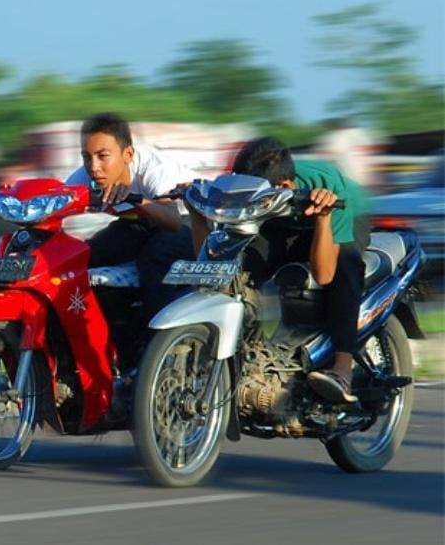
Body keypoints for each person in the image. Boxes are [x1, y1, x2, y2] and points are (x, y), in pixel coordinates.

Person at [189, 137, 369, 403]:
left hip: (341, 214)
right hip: (280, 219)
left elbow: (324, 275)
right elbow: (210, 266)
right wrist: (195, 212)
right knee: (237, 270)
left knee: (346, 268)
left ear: (284, 187)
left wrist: (323, 218)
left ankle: (343, 369)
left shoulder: (327, 188)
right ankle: (247, 353)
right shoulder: (248, 190)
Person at [65, 113, 195, 365]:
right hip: (135, 226)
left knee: (155, 256)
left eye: (103, 156)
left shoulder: (153, 169)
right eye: (86, 157)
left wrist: (137, 200)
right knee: (80, 256)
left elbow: (172, 221)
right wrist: (3, 196)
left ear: (127, 155)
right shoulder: (85, 176)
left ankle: (158, 353)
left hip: (186, 225)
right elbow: (53, 201)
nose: (94, 167)